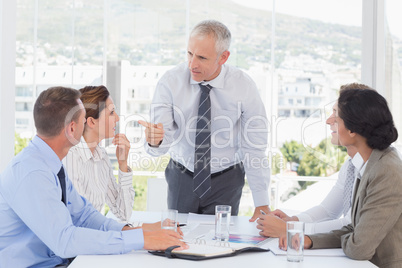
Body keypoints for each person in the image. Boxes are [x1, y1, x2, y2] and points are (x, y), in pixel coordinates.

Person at [0, 87, 187, 268]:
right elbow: (65, 241)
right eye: (83, 120)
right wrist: (141, 240)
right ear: (72, 128)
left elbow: (85, 217)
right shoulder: (32, 173)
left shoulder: (51, 164)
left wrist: (139, 232)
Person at [138, 19, 270, 220]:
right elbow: (163, 141)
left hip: (227, 179)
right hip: (181, 176)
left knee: (220, 242)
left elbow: (254, 146)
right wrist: (155, 141)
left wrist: (262, 202)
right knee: (177, 238)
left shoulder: (243, 86)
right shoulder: (170, 82)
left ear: (223, 57)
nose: (192, 64)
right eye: (189, 54)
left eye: (202, 57)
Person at [278, 86, 402, 268]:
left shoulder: (386, 171)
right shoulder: (367, 164)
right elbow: (354, 230)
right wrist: (310, 240)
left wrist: (350, 239)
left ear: (352, 129)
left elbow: (359, 248)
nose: (329, 121)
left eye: (335, 115)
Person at [257, 83, 372, 237]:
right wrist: (292, 221)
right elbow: (328, 211)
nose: (329, 120)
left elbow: (350, 224)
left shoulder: (376, 168)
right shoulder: (351, 165)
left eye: (336, 114)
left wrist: (290, 230)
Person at [63, 85, 135, 222]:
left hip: (93, 235)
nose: (118, 119)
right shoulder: (71, 157)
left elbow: (123, 213)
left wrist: (123, 164)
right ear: (91, 121)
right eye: (112, 113)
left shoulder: (101, 156)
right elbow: (79, 219)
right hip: (80, 238)